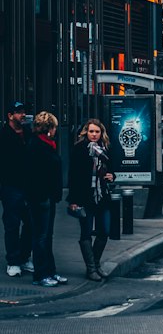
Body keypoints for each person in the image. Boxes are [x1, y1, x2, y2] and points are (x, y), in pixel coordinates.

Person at [68, 119, 115, 281]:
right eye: (91, 131)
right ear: (86, 133)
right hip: (85, 197)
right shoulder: (79, 149)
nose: (94, 135)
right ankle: (91, 269)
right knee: (86, 232)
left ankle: (96, 264)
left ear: (101, 133)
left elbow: (113, 168)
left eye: (97, 132)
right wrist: (73, 200)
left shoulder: (106, 149)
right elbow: (73, 176)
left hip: (102, 196)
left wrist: (111, 176)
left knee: (105, 231)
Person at [24, 111, 66, 287]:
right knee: (41, 236)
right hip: (40, 198)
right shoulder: (37, 146)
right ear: (49, 128)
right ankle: (40, 274)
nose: (56, 130)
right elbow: (35, 175)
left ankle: (49, 271)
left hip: (47, 197)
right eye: (54, 127)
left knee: (47, 236)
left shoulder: (47, 144)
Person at [0, 101, 33, 277]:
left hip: (28, 185)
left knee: (30, 223)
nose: (22, 115)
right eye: (18, 112)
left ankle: (24, 257)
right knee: (12, 224)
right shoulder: (4, 134)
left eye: (23, 112)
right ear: (10, 115)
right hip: (10, 186)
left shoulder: (28, 133)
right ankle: (13, 261)